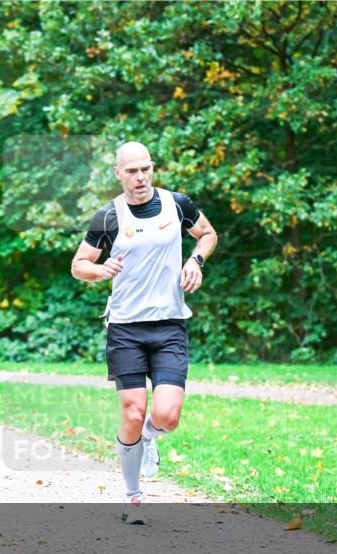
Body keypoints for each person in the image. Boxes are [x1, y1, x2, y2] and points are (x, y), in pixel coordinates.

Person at [71, 142, 217, 525]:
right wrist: (98, 271)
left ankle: (150, 439)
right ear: (118, 174)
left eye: (145, 169)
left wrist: (196, 261)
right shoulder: (109, 217)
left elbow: (207, 234)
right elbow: (78, 265)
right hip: (125, 329)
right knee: (132, 412)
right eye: (132, 171)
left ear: (152, 169)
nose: (140, 177)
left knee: (166, 416)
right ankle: (133, 495)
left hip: (169, 324)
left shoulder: (177, 204)